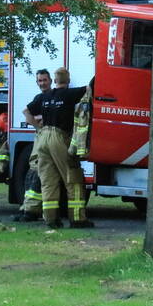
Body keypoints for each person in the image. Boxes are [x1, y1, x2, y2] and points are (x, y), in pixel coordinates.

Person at [28, 67, 92, 228]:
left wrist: (38, 127)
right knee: (73, 178)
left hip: (43, 138)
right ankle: (78, 219)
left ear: (54, 81)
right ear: (68, 81)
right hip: (59, 138)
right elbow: (89, 89)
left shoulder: (44, 96)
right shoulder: (70, 94)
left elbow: (27, 111)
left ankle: (51, 220)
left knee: (48, 181)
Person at [13, 69, 52, 222]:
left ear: (51, 81)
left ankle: (30, 209)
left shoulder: (54, 96)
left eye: (45, 80)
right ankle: (28, 209)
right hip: (42, 137)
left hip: (49, 139)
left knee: (40, 174)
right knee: (34, 173)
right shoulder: (40, 98)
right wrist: (39, 127)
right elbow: (26, 113)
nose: (42, 83)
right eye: (40, 81)